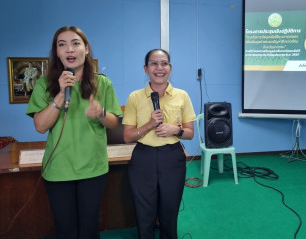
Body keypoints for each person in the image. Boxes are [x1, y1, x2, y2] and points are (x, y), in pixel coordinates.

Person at [26, 26, 122, 239]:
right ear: (57, 52)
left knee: (89, 226)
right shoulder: (44, 84)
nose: (69, 49)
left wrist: (101, 112)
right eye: (62, 44)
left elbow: (114, 123)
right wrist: (60, 95)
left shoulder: (102, 82)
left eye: (76, 43)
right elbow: (40, 126)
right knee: (65, 227)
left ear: (86, 49)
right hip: (59, 168)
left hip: (93, 167)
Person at [123, 48, 196, 239]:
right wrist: (149, 125)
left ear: (170, 68)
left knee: (169, 212)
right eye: (154, 63)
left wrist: (175, 130)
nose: (159, 68)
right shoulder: (135, 97)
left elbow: (190, 133)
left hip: (172, 157)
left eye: (164, 63)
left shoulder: (182, 96)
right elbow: (127, 137)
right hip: (143, 158)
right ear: (146, 69)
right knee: (144, 213)